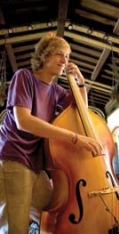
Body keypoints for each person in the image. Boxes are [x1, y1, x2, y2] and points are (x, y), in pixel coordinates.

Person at [0, 32, 102, 234]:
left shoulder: (56, 91)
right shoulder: (24, 77)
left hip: (36, 165)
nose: (64, 60)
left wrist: (80, 83)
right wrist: (74, 138)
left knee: (55, 213)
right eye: (59, 54)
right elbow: (23, 121)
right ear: (44, 56)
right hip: (15, 158)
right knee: (17, 227)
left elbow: (80, 110)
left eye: (67, 56)